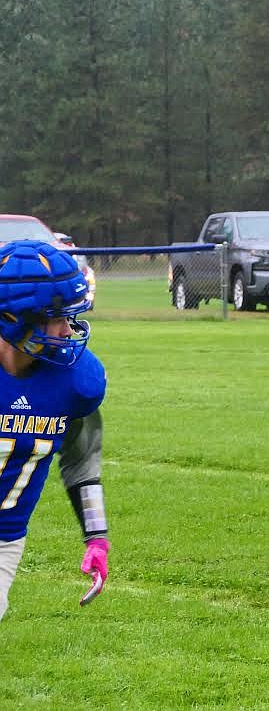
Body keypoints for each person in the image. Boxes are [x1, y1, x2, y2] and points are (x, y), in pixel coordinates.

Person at [0, 240, 110, 618]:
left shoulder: (75, 381)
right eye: (57, 318)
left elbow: (82, 461)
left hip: (3, 539)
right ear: (16, 318)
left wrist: (96, 537)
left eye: (70, 317)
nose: (67, 330)